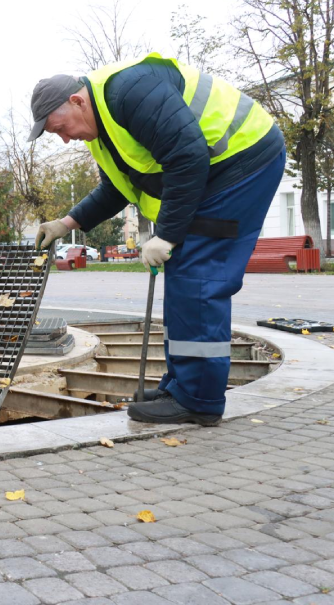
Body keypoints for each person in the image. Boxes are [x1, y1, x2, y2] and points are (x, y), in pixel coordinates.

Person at [30, 53, 285, 426]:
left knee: (199, 275)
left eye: (61, 128)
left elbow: (187, 156)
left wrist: (165, 235)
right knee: (184, 275)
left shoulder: (130, 93)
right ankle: (181, 386)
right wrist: (65, 222)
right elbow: (116, 189)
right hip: (216, 169)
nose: (66, 139)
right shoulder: (103, 129)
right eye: (57, 136)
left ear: (77, 101)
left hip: (242, 159)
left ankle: (199, 399)